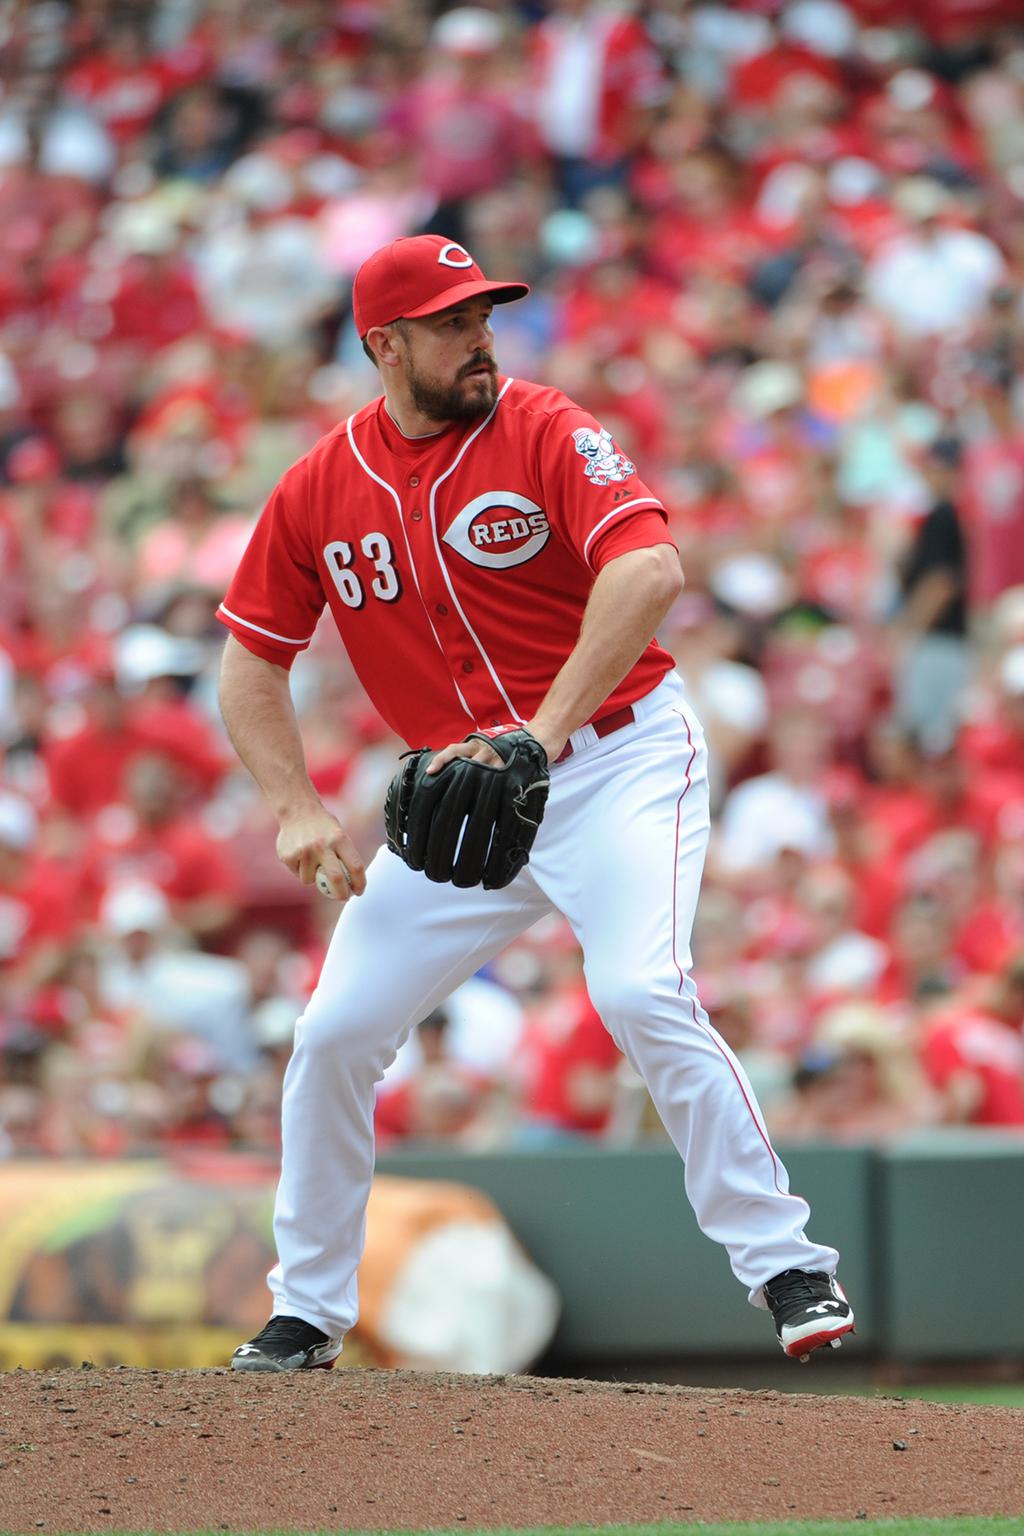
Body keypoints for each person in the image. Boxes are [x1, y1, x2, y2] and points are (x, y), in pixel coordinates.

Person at [216, 233, 854, 1372]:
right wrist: (293, 805)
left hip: (614, 761)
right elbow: (250, 658)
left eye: (485, 315)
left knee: (641, 989)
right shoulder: (318, 485)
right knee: (334, 1032)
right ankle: (308, 1311)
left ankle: (783, 1263)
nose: (481, 338)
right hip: (460, 799)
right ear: (385, 343)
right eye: (453, 323)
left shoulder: (545, 426)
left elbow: (649, 572)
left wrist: (537, 737)